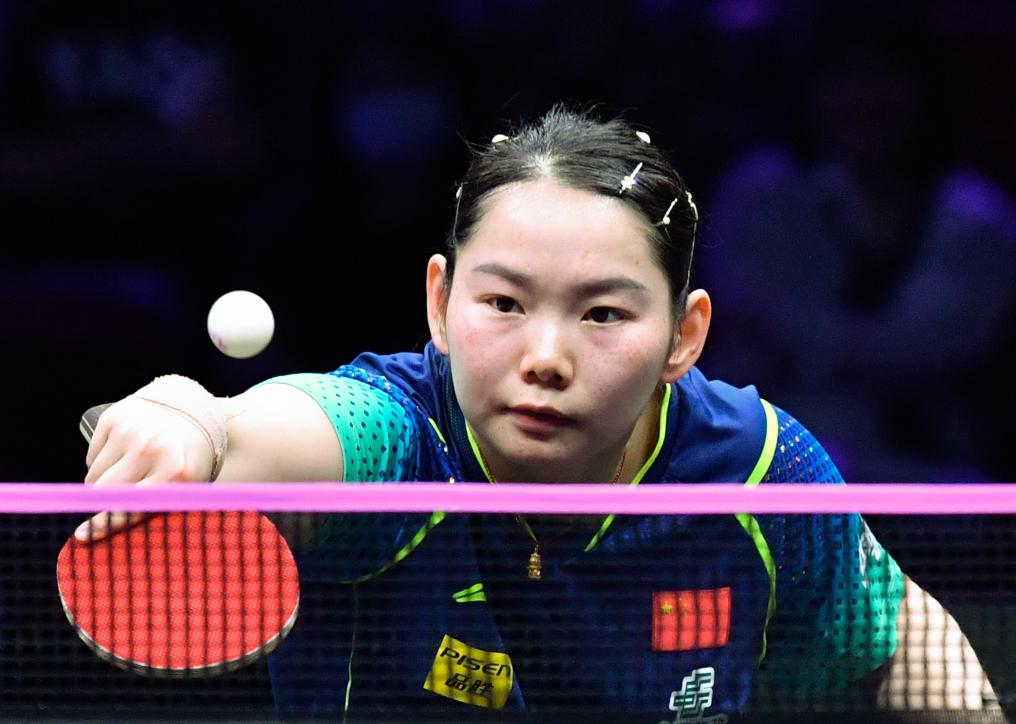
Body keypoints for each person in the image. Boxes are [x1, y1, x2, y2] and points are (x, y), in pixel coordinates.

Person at [80, 106, 996, 719]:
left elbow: (890, 636)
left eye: (603, 314)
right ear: (440, 304)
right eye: (504, 304)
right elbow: (286, 428)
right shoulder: (402, 439)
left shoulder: (757, 473)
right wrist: (193, 421)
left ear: (684, 336)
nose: (546, 357)